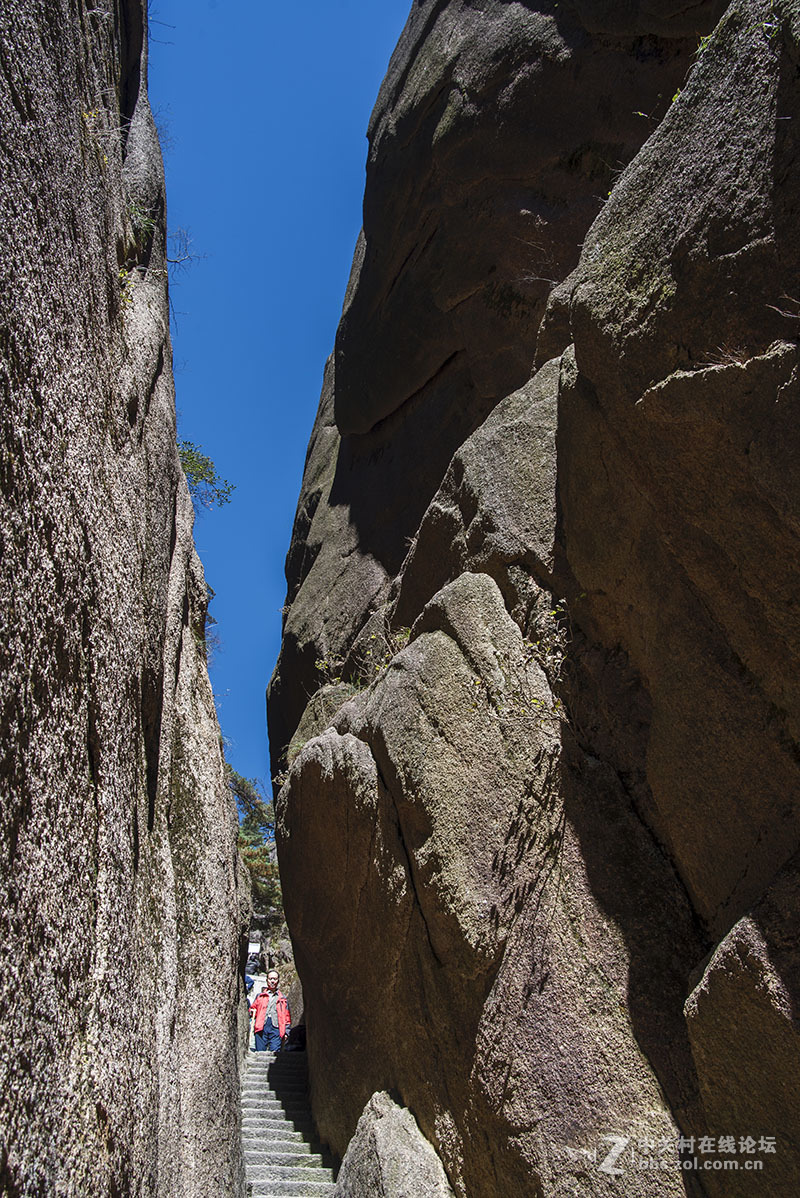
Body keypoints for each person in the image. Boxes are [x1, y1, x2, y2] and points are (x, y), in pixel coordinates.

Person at [249, 970, 291, 1052]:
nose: (272, 981)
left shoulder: (282, 998)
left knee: (275, 1052)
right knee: (260, 1052)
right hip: (261, 1027)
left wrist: (286, 1031)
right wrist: (252, 1011)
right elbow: (253, 1008)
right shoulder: (260, 996)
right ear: (267, 980)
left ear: (278, 981)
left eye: (275, 979)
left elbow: (286, 1016)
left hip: (276, 1028)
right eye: (270, 979)